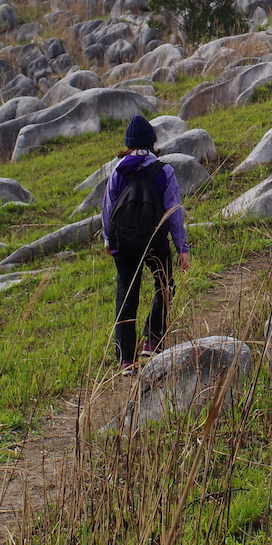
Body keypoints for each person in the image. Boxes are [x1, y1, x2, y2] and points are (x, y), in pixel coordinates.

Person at [103, 114, 190, 376]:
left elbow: (108, 209)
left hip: (125, 243)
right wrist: (181, 247)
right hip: (155, 242)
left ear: (128, 144)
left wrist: (109, 239)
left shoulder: (118, 171)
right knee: (164, 286)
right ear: (153, 142)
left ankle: (126, 360)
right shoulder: (164, 171)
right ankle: (152, 341)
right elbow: (174, 212)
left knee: (126, 296)